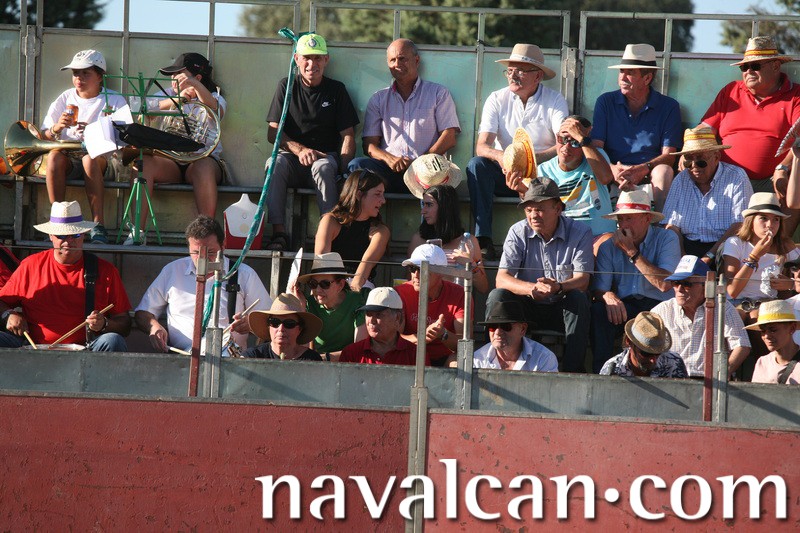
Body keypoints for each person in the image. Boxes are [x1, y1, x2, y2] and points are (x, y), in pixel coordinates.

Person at [466, 43, 568, 259]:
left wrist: (532, 160)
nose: (513, 76)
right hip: (505, 172)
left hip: (542, 175)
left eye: (520, 71)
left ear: (538, 76)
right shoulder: (496, 98)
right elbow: (482, 146)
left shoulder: (555, 100)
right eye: (510, 70)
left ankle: (550, 245)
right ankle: (483, 239)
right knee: (476, 165)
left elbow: (563, 143)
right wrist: (502, 157)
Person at [265, 33, 359, 251]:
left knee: (323, 167)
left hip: (325, 159)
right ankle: (278, 234)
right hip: (292, 160)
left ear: (326, 60)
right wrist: (301, 150)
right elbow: (273, 133)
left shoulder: (337, 90)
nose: (311, 64)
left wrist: (345, 173)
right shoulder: (286, 86)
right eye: (306, 58)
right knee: (273, 164)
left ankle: (329, 236)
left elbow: (348, 135)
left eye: (317, 58)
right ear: (296, 59)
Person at [489, 177, 593, 372]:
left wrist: (558, 287)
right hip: (526, 308)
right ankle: (497, 363)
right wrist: (531, 289)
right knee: (498, 296)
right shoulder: (517, 231)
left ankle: (573, 371)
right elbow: (501, 279)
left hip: (562, 308)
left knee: (579, 299)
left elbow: (583, 281)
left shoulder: (580, 232)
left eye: (539, 209)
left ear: (558, 209)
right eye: (529, 210)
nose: (533, 215)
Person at [0, 201, 130, 350]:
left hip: (87, 351)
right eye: (61, 235)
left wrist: (105, 324)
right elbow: (2, 302)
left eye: (75, 234)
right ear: (51, 236)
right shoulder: (30, 265)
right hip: (33, 348)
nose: (69, 241)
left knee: (113, 340)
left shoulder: (106, 271)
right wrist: (8, 314)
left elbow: (125, 324)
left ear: (84, 235)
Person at [135, 215, 271, 355]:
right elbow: (143, 312)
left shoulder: (244, 274)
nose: (203, 258)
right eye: (196, 252)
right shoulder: (172, 271)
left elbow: (271, 321)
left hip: (229, 358)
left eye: (210, 252)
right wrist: (154, 326)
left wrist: (251, 324)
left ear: (223, 246)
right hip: (180, 357)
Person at [348, 39, 460, 192]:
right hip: (388, 171)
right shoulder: (378, 99)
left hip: (426, 173)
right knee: (357, 165)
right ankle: (366, 209)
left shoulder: (438, 93)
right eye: (392, 60)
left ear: (417, 60)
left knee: (435, 181)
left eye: (402, 59)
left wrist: (420, 163)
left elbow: (449, 137)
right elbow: (369, 144)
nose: (397, 64)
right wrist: (390, 159)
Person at [137, 52, 226, 240]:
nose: (173, 78)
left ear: (198, 78)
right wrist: (177, 100)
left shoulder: (214, 96)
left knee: (203, 167)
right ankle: (137, 232)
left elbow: (216, 110)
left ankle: (206, 236)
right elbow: (141, 108)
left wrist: (195, 87)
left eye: (178, 74)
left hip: (202, 160)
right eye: (172, 74)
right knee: (144, 163)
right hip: (171, 161)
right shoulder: (169, 94)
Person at [41, 49, 127, 244]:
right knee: (53, 157)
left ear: (100, 76)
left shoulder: (114, 99)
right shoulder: (65, 97)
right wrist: (57, 127)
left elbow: (125, 138)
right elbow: (44, 135)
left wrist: (97, 131)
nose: (79, 78)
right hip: (69, 157)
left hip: (103, 160)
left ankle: (98, 225)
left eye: (85, 73)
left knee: (90, 159)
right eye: (75, 73)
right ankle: (57, 222)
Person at [591, 190, 681, 373]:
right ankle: (601, 373)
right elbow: (599, 289)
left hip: (660, 307)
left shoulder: (667, 238)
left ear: (647, 219)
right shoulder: (609, 246)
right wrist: (607, 295)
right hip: (627, 306)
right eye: (620, 219)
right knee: (599, 311)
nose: (623, 225)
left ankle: (670, 373)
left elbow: (664, 284)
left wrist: (632, 252)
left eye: (629, 218)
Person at [701, 36, 800, 194]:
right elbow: (705, 129)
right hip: (725, 178)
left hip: (772, 181)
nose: (748, 71)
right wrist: (691, 148)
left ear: (775, 66)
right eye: (744, 67)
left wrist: (783, 168)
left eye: (755, 66)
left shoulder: (796, 95)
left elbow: (799, 142)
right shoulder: (731, 91)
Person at [591, 43, 682, 212]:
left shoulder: (669, 106)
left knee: (663, 171)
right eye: (621, 71)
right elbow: (596, 148)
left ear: (647, 78)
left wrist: (642, 169)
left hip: (649, 172)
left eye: (630, 72)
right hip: (612, 172)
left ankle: (661, 221)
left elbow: (669, 156)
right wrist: (612, 169)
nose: (622, 78)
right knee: (592, 165)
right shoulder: (605, 102)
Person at [661, 126, 753, 264]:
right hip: (686, 245)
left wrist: (709, 257)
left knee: (732, 247)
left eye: (700, 160)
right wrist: (683, 257)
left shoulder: (736, 176)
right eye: (688, 160)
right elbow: (671, 225)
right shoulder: (681, 179)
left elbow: (740, 225)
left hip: (724, 247)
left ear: (716, 157)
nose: (694, 165)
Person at [651, 255, 751, 378]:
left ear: (706, 286)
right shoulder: (662, 310)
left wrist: (723, 373)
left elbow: (742, 346)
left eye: (686, 284)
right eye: (675, 283)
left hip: (710, 380)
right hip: (671, 381)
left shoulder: (723, 308)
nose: (679, 289)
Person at [532, 115, 616, 237]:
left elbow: (606, 178)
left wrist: (583, 139)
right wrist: (520, 189)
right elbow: (537, 208)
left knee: (607, 241)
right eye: (562, 139)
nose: (567, 147)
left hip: (598, 237)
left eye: (575, 142)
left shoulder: (596, 156)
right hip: (564, 239)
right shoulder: (544, 170)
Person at [315, 169, 390, 291]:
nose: (383, 200)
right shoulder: (330, 221)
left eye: (383, 194)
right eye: (377, 194)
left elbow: (364, 268)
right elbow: (321, 265)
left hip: (360, 287)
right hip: (329, 286)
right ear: (359, 195)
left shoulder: (380, 231)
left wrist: (350, 297)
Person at [406, 183, 488, 294]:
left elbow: (483, 288)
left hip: (456, 301)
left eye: (429, 205)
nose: (423, 211)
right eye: (423, 204)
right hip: (426, 302)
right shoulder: (418, 239)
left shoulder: (468, 241)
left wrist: (471, 265)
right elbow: (409, 282)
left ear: (445, 207)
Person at [722, 193, 798, 311]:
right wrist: (754, 256)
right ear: (751, 221)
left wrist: (791, 284)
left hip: (770, 306)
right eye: (763, 218)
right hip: (737, 305)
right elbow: (732, 291)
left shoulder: (784, 246)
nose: (770, 225)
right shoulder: (735, 243)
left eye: (776, 219)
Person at [395, 244, 465, 366]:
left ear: (441, 272)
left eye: (422, 269)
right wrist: (421, 337)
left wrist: (443, 334)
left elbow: (465, 345)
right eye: (412, 268)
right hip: (409, 356)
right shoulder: (400, 292)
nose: (416, 275)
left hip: (444, 358)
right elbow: (391, 339)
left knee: (460, 362)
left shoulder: (458, 293)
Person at [290, 252, 369, 360]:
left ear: (340, 285)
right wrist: (301, 308)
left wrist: (322, 358)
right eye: (313, 284)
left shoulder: (358, 302)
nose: (318, 290)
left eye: (325, 284)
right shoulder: (308, 304)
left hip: (348, 365)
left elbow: (357, 352)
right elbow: (302, 350)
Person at [339, 287, 420, 365]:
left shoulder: (415, 355)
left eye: (378, 315)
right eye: (368, 314)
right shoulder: (351, 353)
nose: (371, 320)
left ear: (397, 317)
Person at [473, 300, 558, 372]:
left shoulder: (543, 358)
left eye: (506, 326)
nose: (498, 332)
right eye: (493, 327)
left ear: (523, 329)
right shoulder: (477, 359)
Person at [599, 311, 688, 378]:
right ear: (629, 342)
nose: (653, 360)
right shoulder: (612, 369)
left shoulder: (674, 363)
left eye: (658, 354)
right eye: (646, 353)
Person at [243, 293, 323, 361]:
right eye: (274, 322)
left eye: (289, 323)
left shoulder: (312, 360)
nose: (281, 329)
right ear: (268, 326)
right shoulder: (252, 357)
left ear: (300, 329)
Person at [747, 300, 800, 384]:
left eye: (773, 330)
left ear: (792, 328)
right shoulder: (763, 363)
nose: (766, 336)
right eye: (763, 331)